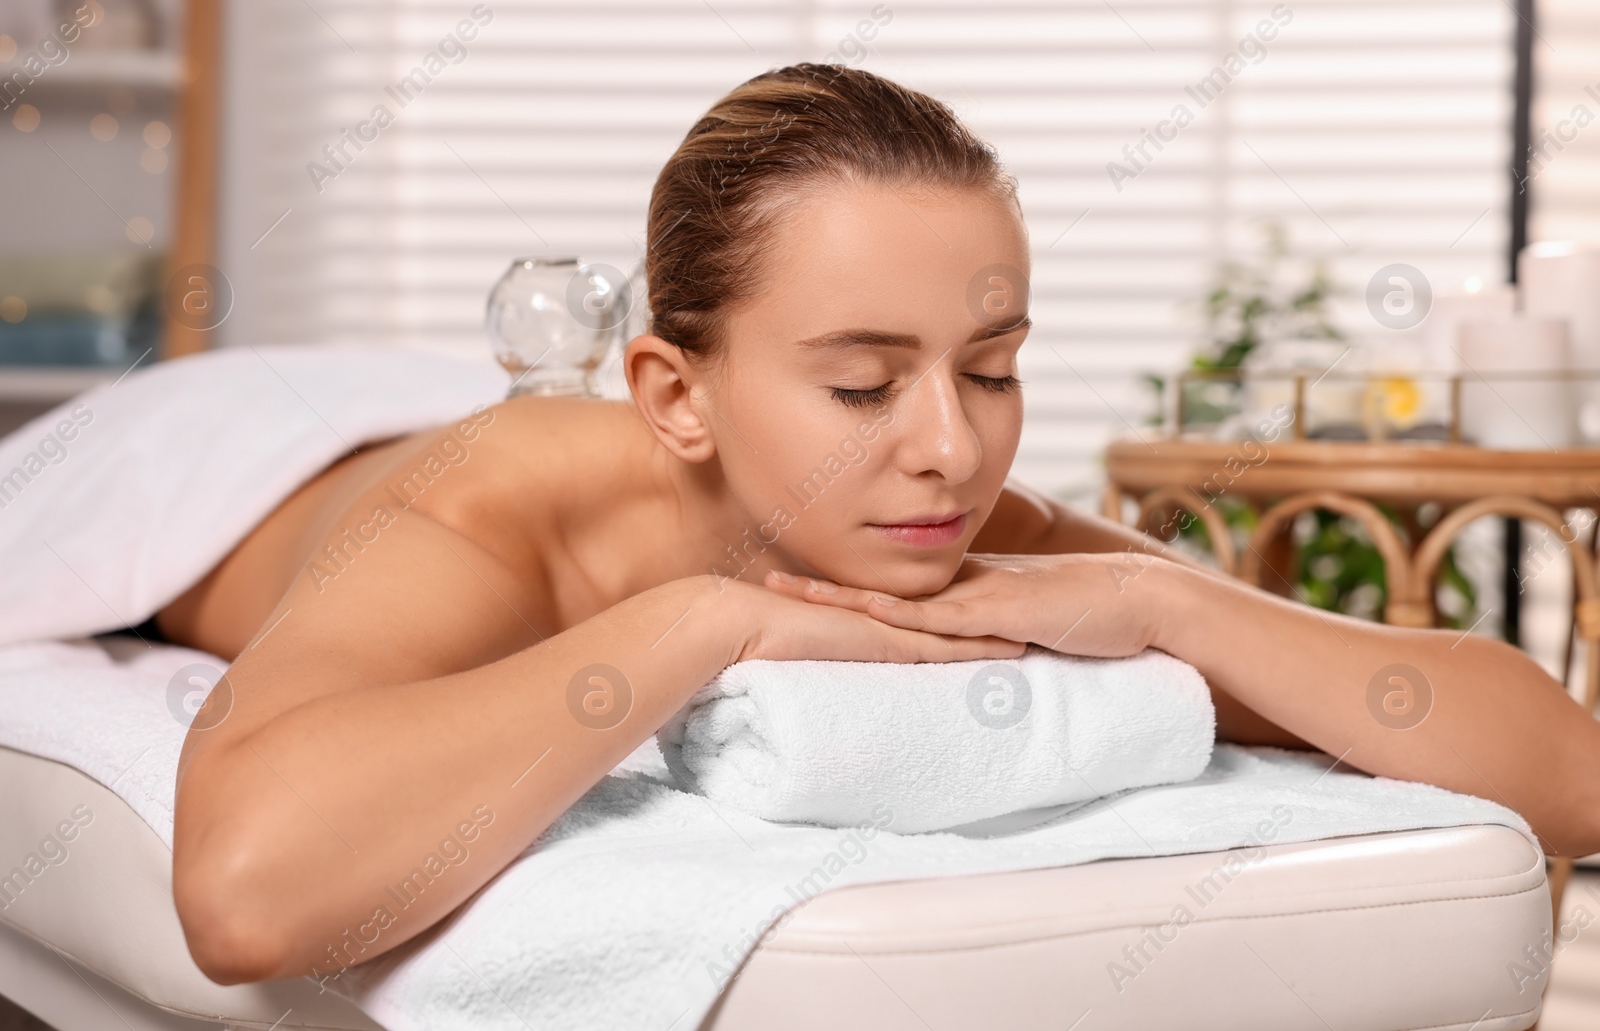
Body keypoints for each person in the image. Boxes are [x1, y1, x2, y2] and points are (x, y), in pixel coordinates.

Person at [167, 63, 1600, 986]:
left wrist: (1176, 607)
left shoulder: (959, 521)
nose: (951, 446)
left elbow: (1563, 774)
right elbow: (244, 896)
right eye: (863, 384)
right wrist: (704, 619)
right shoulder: (505, 504)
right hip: (261, 456)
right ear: (675, 392)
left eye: (994, 371)